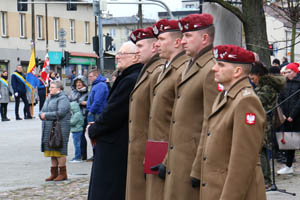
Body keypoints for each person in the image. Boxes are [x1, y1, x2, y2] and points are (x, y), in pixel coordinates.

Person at [162, 14, 219, 200]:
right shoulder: (190, 66)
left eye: (188, 36)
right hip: (178, 159)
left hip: (192, 160)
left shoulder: (210, 69)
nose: (183, 41)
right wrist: (166, 159)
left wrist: (198, 168)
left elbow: (211, 124)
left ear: (204, 38)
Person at [198, 45, 266, 200]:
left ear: (237, 71)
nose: (214, 68)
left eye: (221, 65)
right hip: (218, 188)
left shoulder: (246, 101)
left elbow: (243, 161)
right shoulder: (225, 96)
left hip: (234, 192)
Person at [87, 41, 142, 200]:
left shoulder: (130, 79)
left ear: (135, 57)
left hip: (116, 144)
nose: (117, 56)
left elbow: (113, 113)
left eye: (122, 53)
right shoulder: (127, 76)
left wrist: (93, 130)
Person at [146, 19, 189, 200]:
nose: (156, 44)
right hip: (157, 146)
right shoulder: (166, 68)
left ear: (177, 42)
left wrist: (169, 157)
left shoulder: (182, 70)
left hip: (171, 150)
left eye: (162, 39)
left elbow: (184, 119)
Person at [126, 27, 164, 200]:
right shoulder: (147, 70)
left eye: (140, 46)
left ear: (154, 46)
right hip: (140, 147)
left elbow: (157, 118)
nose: (137, 50)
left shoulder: (157, 72)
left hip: (149, 148)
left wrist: (151, 156)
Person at [249, 61, 286, 188]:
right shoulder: (263, 86)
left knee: (262, 150)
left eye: (253, 78)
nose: (252, 81)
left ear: (258, 75)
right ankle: (264, 179)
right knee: (261, 150)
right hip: (261, 121)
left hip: (264, 123)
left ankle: (266, 180)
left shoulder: (267, 88)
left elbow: (257, 102)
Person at [40, 80, 71, 181]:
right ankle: (54, 173)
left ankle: (63, 173)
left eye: (52, 87)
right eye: (50, 87)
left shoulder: (63, 98)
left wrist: (46, 115)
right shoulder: (49, 98)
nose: (50, 89)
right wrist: (41, 114)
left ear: (59, 89)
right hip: (49, 127)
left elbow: (61, 112)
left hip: (60, 128)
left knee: (59, 150)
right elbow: (43, 110)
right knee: (51, 150)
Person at [277, 62, 300, 175]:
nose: (286, 74)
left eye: (289, 72)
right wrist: (283, 115)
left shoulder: (299, 83)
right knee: (290, 142)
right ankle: (289, 165)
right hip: (286, 118)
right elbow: (280, 99)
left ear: (295, 72)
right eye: (285, 72)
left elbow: (299, 102)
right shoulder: (284, 83)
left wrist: (292, 115)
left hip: (297, 118)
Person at [86, 70, 109, 161]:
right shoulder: (97, 85)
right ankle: (96, 154)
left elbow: (97, 101)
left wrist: (91, 111)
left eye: (91, 76)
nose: (89, 78)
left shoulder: (100, 86)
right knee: (93, 135)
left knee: (95, 134)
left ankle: (97, 154)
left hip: (97, 113)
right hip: (95, 112)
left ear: (96, 76)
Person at [68, 75, 89, 160]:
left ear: (84, 83)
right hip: (74, 116)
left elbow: (90, 103)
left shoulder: (88, 93)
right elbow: (68, 101)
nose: (78, 84)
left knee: (81, 136)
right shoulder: (72, 92)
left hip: (83, 116)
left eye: (80, 82)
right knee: (76, 136)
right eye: (77, 83)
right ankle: (79, 154)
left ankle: (82, 155)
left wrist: (84, 103)